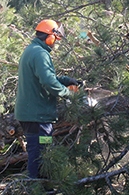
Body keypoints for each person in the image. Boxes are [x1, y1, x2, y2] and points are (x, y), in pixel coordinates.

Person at [15, 19, 81, 178]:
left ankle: (41, 187)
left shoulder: (33, 50)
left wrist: (65, 80)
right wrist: (69, 94)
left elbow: (45, 77)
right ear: (50, 36)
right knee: (39, 153)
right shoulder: (40, 53)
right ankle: (36, 191)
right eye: (55, 40)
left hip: (34, 116)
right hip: (38, 117)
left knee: (42, 149)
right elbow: (48, 82)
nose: (55, 44)